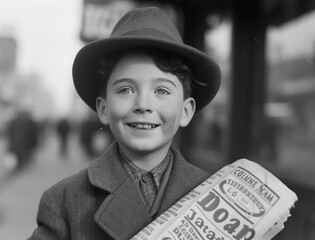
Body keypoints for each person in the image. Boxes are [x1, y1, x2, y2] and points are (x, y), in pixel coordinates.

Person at [29, 6, 221, 240]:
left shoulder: (214, 193)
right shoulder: (64, 202)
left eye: (161, 90)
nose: (142, 104)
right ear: (103, 109)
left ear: (186, 111)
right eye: (126, 89)